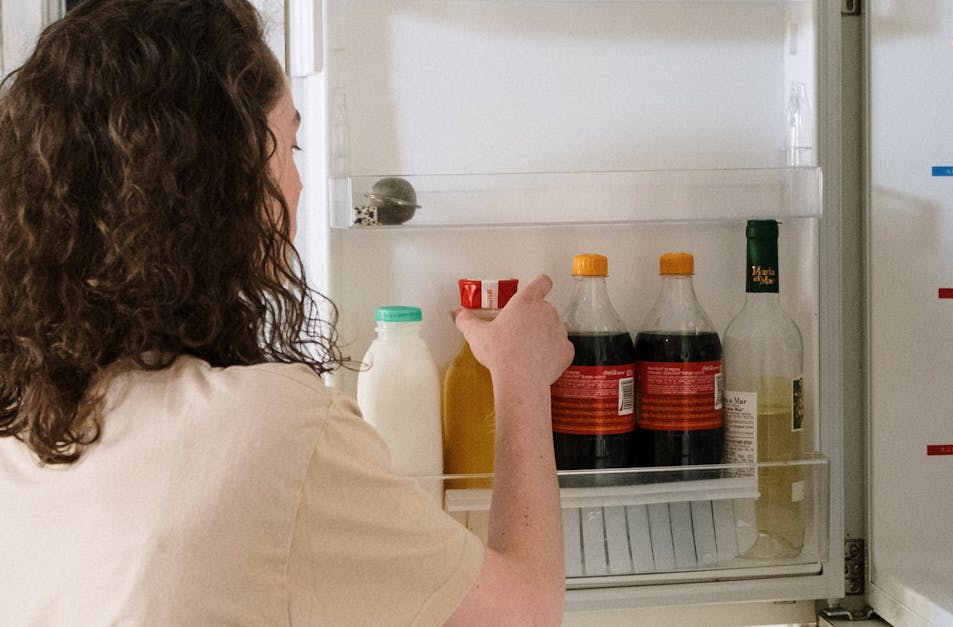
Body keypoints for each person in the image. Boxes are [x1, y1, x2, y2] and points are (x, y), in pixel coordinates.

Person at [0, 1, 574, 625]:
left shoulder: (25, 417)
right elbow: (526, 612)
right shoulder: (273, 430)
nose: (298, 185)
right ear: (218, 181)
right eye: (290, 147)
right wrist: (519, 376)